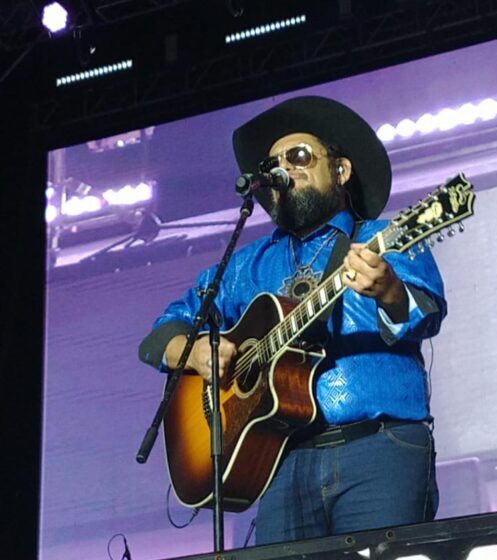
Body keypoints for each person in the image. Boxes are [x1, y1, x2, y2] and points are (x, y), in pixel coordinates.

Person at [138, 96, 446, 544]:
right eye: (274, 163)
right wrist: (195, 353)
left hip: (379, 450)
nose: (285, 168)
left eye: (299, 156)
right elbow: (162, 332)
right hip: (281, 459)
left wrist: (390, 292)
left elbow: (428, 312)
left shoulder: (384, 237)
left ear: (341, 171)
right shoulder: (246, 266)